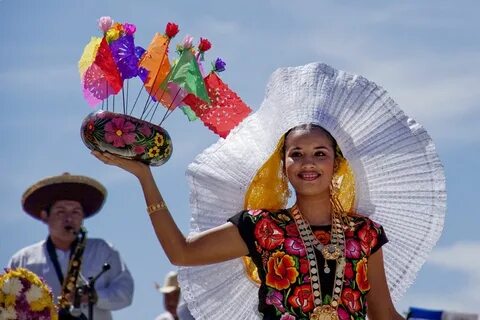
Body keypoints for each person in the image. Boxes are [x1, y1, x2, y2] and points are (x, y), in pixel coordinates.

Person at [92, 62, 446, 319]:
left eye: (319, 154)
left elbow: (384, 314)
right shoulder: (262, 227)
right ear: (284, 166)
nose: (309, 163)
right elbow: (182, 253)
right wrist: (144, 178)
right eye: (297, 154)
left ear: (336, 164)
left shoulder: (365, 234)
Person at [8, 172, 134, 320]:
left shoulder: (103, 249)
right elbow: (8, 303)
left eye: (76, 212)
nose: (69, 219)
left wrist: (93, 296)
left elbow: (125, 293)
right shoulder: (23, 259)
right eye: (61, 212)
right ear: (44, 216)